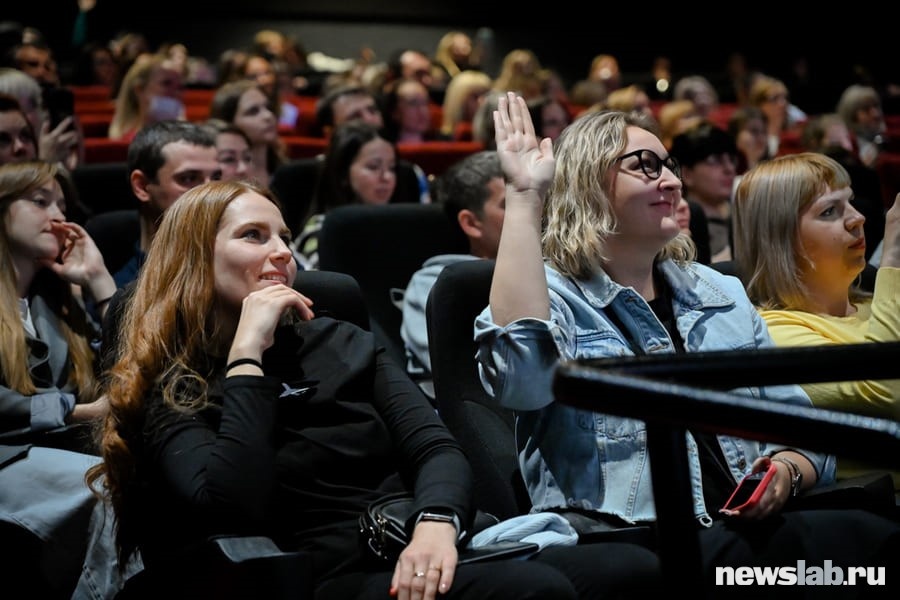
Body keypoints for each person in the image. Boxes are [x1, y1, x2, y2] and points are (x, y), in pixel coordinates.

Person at [85, 178, 662, 600]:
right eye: (254, 236)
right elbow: (233, 504)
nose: (283, 253)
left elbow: (435, 447)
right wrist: (246, 357)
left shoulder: (338, 338)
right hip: (304, 573)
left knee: (628, 572)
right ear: (194, 258)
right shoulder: (170, 377)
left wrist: (437, 523)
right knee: (530, 592)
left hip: (406, 539)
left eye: (284, 236)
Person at [474, 92, 900, 596]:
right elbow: (522, 381)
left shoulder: (720, 292)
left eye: (670, 166)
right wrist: (524, 195)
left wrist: (787, 469)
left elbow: (802, 429)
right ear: (588, 182)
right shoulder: (557, 299)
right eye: (646, 165)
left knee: (875, 544)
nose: (673, 180)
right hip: (633, 542)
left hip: (741, 532)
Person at [732, 152, 900, 487]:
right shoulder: (772, 331)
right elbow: (890, 395)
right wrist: (894, 256)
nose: (858, 219)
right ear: (782, 240)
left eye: (850, 203)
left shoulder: (874, 304)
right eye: (829, 211)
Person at [0, 160, 113, 447]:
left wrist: (98, 278)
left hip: (65, 452)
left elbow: (127, 364)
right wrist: (76, 412)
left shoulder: (57, 304)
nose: (59, 217)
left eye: (62, 206)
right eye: (41, 202)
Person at [400, 150, 504, 398]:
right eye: (511, 205)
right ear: (471, 223)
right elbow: (473, 375)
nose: (534, 213)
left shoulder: (558, 269)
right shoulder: (434, 284)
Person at [111, 119, 221, 288]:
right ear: (141, 186)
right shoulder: (123, 292)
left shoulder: (241, 269)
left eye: (216, 178)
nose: (210, 191)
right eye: (189, 178)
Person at [292, 121, 400, 270]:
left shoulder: (402, 226)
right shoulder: (321, 231)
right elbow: (321, 287)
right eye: (373, 167)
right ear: (343, 174)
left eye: (392, 168)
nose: (387, 177)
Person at [670, 121, 739, 263]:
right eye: (715, 160)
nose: (729, 169)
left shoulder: (741, 217)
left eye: (731, 160)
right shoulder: (678, 224)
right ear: (687, 174)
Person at [209, 79, 286, 186]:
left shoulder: (287, 171)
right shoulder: (219, 176)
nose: (268, 116)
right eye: (253, 111)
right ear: (229, 123)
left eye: (268, 107)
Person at [109, 53, 185, 142]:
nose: (176, 92)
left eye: (180, 87)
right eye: (166, 83)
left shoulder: (186, 140)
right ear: (139, 90)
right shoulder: (129, 142)